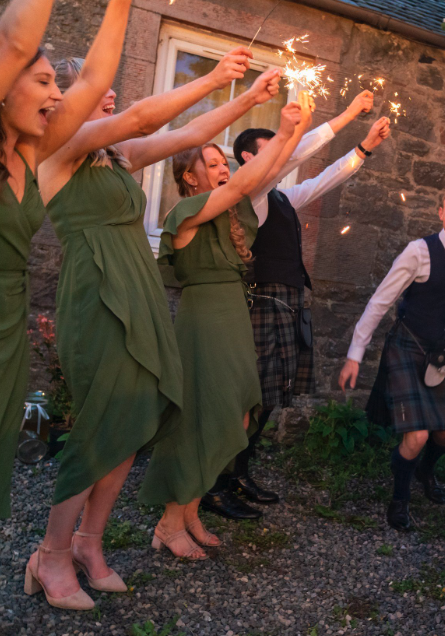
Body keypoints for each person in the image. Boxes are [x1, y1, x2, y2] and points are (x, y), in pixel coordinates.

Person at [33, 46, 280, 603]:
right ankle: (50, 554)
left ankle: (89, 544)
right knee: (101, 422)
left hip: (136, 291)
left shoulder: (115, 157)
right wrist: (212, 77)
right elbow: (144, 117)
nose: (110, 91)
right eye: (93, 85)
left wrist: (245, 98)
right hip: (98, 293)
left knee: (135, 419)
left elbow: (188, 133)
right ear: (63, 101)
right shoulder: (57, 147)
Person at [199, 100, 391, 521]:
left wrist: (364, 147)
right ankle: (213, 487)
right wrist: (345, 116)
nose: (283, 153)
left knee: (266, 400)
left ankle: (238, 474)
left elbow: (324, 178)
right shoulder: (251, 194)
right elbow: (297, 153)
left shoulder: (281, 197)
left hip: (286, 306)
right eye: (275, 148)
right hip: (261, 305)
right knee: (247, 399)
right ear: (249, 157)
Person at [140, 100, 308, 560]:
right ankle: (169, 522)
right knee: (202, 418)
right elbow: (246, 182)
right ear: (190, 177)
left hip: (233, 314)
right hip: (206, 319)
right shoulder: (187, 211)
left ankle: (191, 511)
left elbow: (264, 174)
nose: (223, 169)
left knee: (238, 414)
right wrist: (284, 132)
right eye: (211, 163)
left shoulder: (231, 216)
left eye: (223, 162)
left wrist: (296, 132)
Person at [0, 0, 105, 523]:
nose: (58, 94)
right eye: (43, 81)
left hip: (5, 324)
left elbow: (94, 81)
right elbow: (13, 42)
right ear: (0, 81)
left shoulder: (28, 152)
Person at [338, 186, 445, 530]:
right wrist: (355, 354)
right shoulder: (417, 251)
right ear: (440, 213)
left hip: (440, 352)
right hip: (406, 346)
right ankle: (400, 499)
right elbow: (380, 301)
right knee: (417, 435)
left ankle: (424, 471)